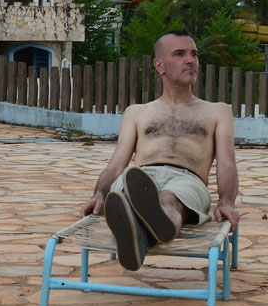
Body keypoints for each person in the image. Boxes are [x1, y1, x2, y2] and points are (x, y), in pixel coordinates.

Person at [80, 30, 240, 271]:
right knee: (127, 189)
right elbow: (116, 164)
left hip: (188, 181)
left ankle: (136, 231)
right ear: (159, 65)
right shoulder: (137, 112)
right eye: (180, 54)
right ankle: (137, 224)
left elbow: (227, 163)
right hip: (140, 179)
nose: (191, 60)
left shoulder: (217, 111)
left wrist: (226, 201)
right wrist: (99, 194)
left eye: (194, 54)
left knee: (168, 200)